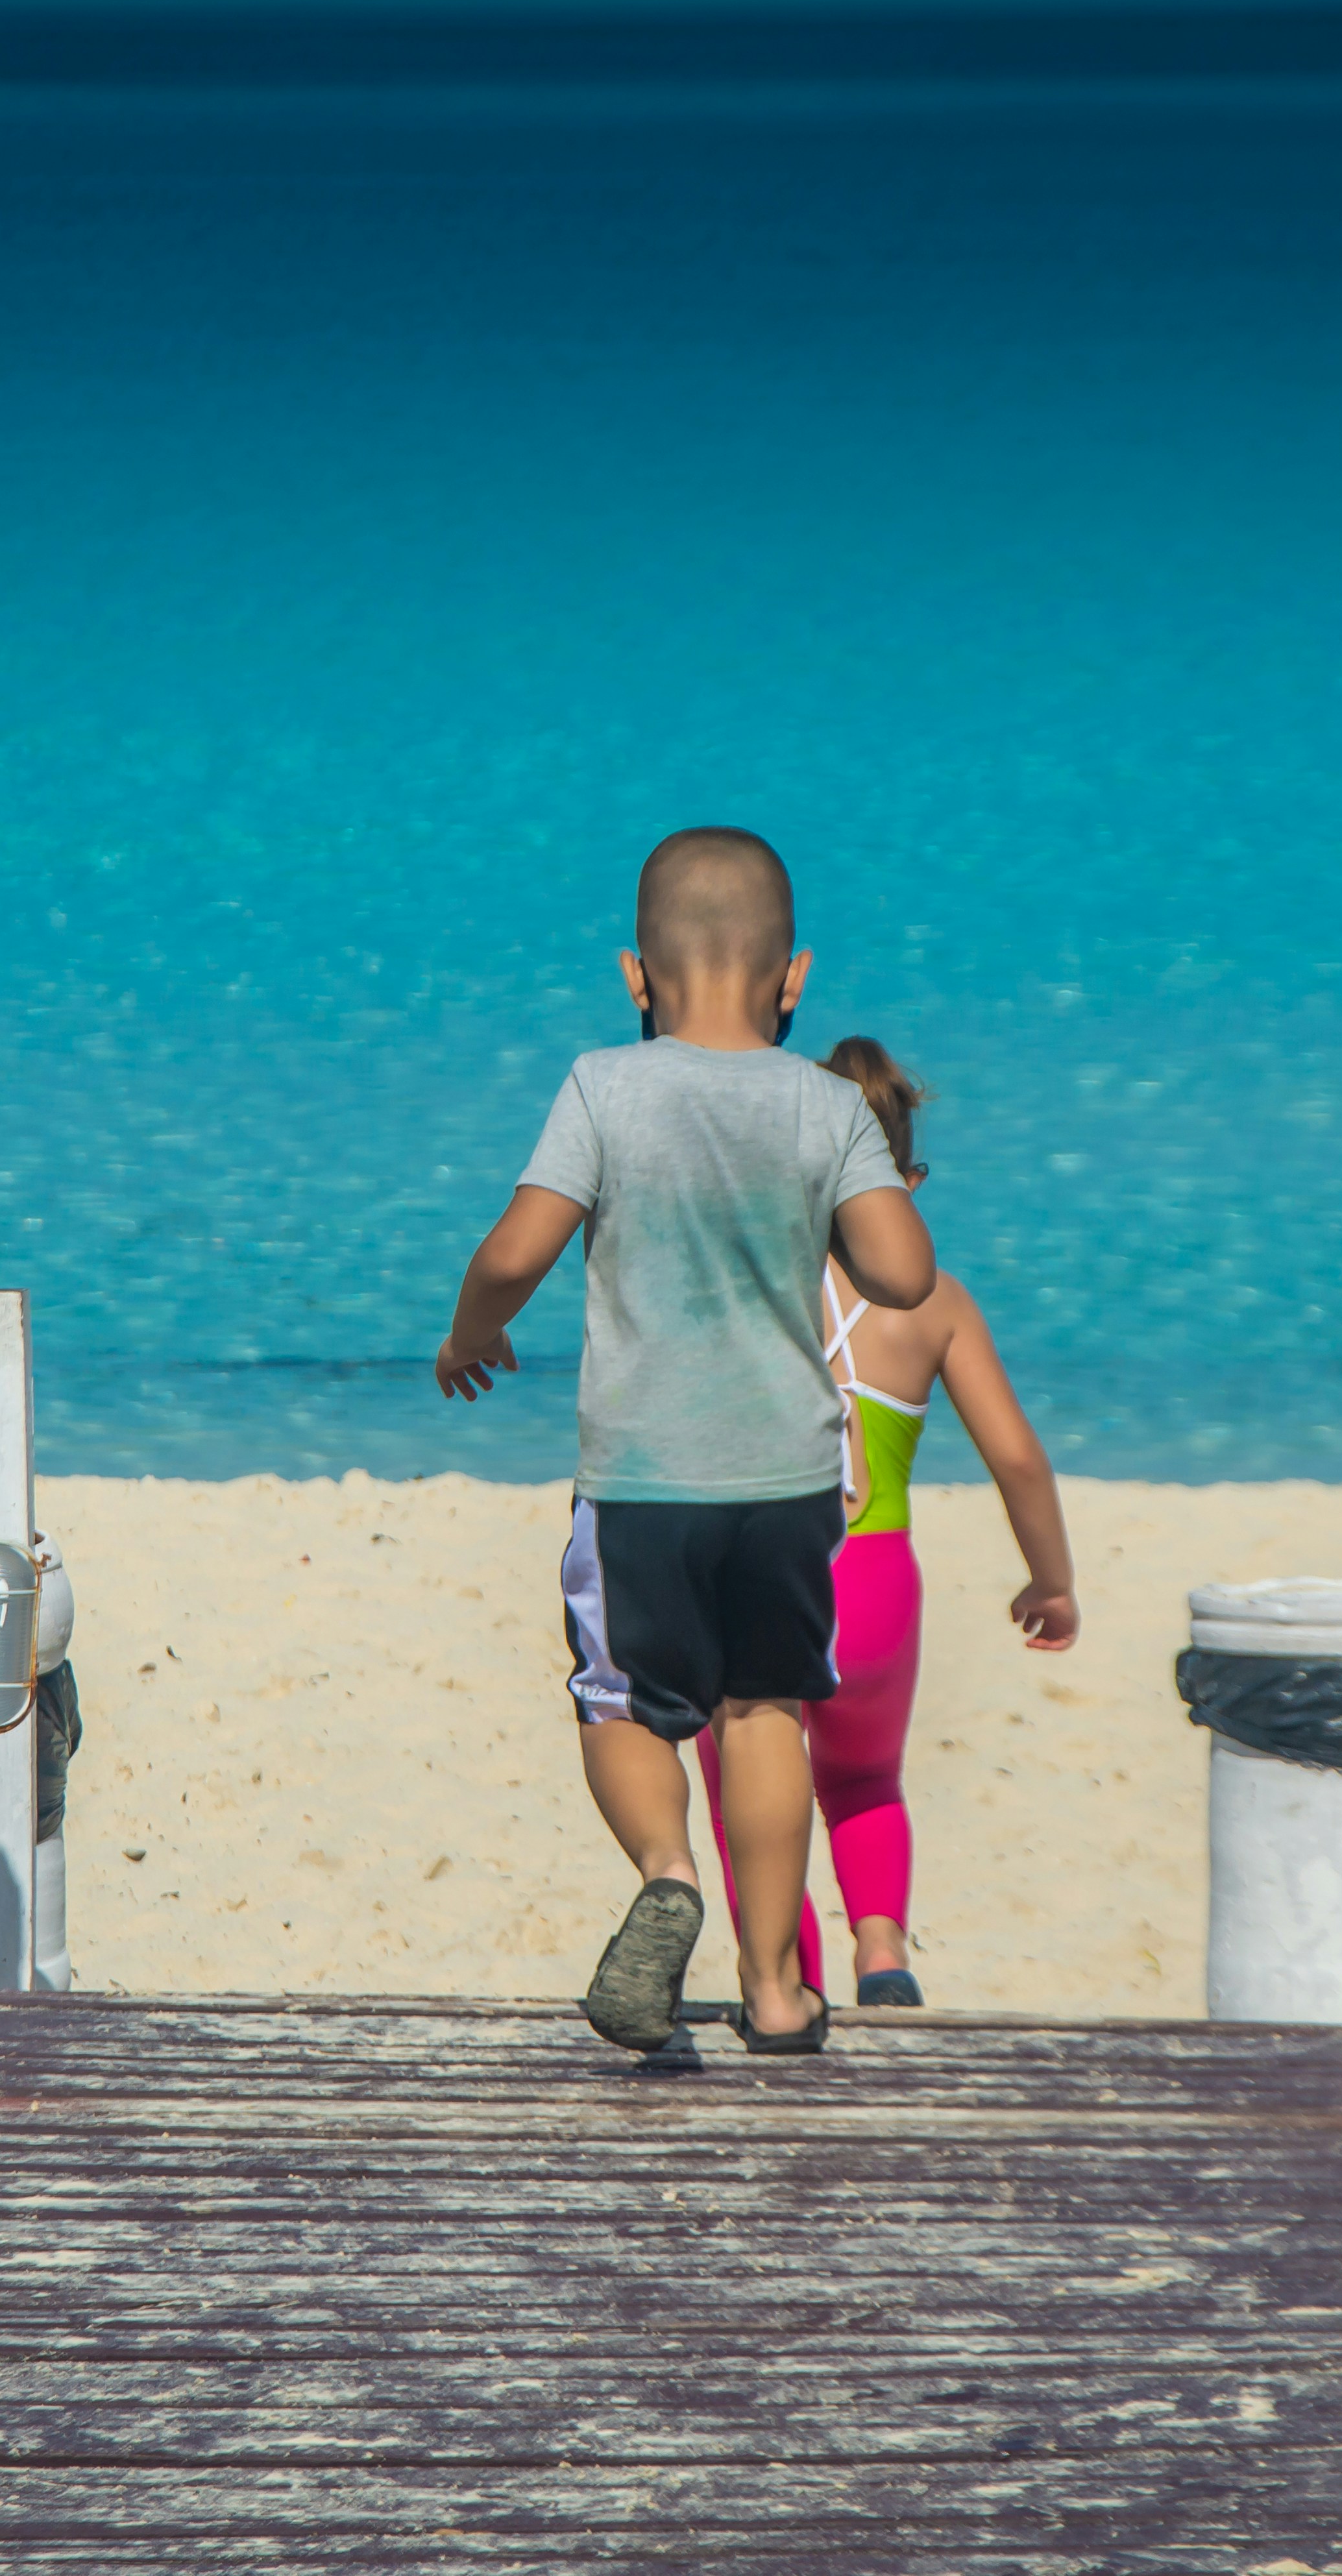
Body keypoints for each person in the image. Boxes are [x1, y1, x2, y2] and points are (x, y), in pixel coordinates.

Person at [433, 827, 938, 2056]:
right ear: (795, 976)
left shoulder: (604, 1086)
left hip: (643, 1477)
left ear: (634, 974)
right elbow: (903, 1272)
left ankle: (667, 1875)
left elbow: (515, 1252)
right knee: (766, 1709)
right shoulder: (828, 1107)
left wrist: (470, 1332)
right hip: (791, 1482)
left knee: (625, 1704)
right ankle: (776, 1992)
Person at [692, 1039, 1077, 2010]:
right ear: (904, 1183)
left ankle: (789, 1977)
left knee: (750, 1784)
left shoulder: (746, 1291)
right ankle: (883, 1952)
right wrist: (1052, 1580)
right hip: (873, 1588)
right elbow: (1019, 1458)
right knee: (863, 1783)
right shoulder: (936, 1303)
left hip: (749, 1581)